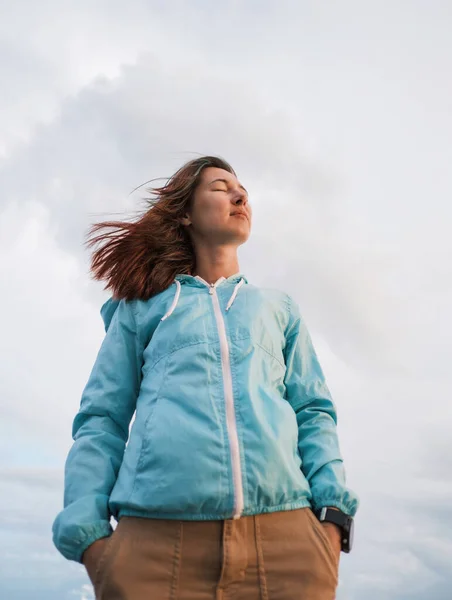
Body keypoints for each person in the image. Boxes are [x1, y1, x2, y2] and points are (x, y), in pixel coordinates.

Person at [52, 155, 359, 599]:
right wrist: (91, 539)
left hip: (287, 545)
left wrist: (331, 522)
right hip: (155, 547)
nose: (239, 195)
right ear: (185, 213)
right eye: (220, 187)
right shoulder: (142, 310)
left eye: (243, 190)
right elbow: (102, 420)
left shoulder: (278, 308)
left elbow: (313, 413)